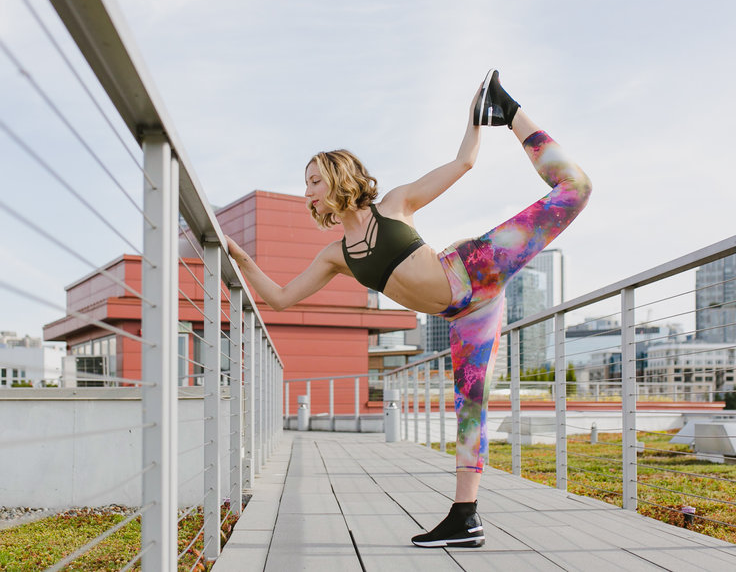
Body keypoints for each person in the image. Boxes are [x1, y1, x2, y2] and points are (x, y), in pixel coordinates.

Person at [225, 69, 592, 548]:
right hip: (464, 316)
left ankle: (511, 108)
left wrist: (477, 119)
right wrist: (239, 256)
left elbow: (464, 162)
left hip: (475, 268)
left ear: (338, 176)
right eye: (306, 184)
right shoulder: (335, 255)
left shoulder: (396, 203)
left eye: (314, 180)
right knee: (470, 409)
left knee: (575, 189)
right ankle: (466, 517)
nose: (308, 190)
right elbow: (280, 298)